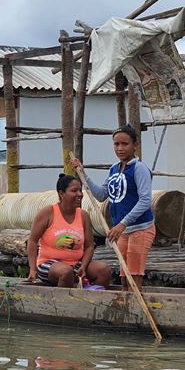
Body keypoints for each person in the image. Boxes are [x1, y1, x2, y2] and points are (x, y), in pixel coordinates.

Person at [71, 124, 155, 289]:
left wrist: (122, 224)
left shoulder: (139, 169)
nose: (120, 148)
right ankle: (125, 305)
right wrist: (83, 174)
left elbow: (145, 201)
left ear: (135, 145)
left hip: (140, 228)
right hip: (122, 231)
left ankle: (134, 309)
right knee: (124, 276)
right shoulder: (114, 169)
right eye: (116, 144)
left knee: (135, 274)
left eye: (125, 144)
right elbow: (101, 194)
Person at [24, 174, 113, 288]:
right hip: (49, 264)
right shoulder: (48, 213)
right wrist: (33, 270)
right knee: (66, 272)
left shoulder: (83, 215)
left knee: (103, 270)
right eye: (74, 191)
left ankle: (92, 301)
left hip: (76, 264)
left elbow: (89, 246)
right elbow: (32, 241)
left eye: (80, 190)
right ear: (62, 194)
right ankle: (65, 304)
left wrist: (84, 266)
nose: (79, 194)